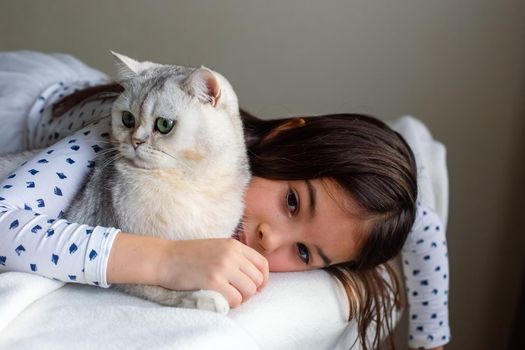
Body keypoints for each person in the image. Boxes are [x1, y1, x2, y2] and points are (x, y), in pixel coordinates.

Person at [0, 51, 449, 350]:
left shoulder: (356, 215)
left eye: (305, 252)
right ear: (286, 135)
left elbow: (421, 225)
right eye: (292, 202)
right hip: (25, 106)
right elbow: (6, 226)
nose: (269, 239)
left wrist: (432, 341)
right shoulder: (121, 140)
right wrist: (164, 260)